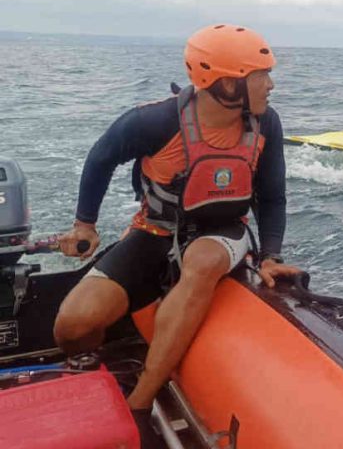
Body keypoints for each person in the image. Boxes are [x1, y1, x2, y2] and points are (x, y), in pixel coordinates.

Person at [53, 24, 297, 437]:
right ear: (225, 84)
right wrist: (85, 224)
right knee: (72, 326)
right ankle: (93, 369)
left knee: (202, 260)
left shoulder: (265, 124)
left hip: (222, 232)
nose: (271, 85)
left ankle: (140, 400)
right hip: (156, 230)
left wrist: (270, 255)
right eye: (261, 75)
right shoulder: (154, 121)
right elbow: (99, 159)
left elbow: (272, 197)